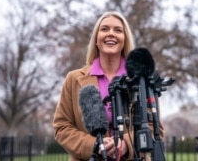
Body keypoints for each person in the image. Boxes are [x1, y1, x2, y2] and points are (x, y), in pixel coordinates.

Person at [52, 11, 165, 161]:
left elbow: (154, 127)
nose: (111, 33)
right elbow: (62, 127)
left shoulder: (140, 79)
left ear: (124, 40)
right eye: (104, 29)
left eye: (118, 30)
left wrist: (126, 145)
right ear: (96, 40)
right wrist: (94, 145)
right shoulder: (73, 79)